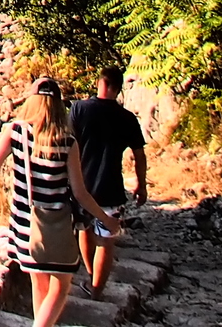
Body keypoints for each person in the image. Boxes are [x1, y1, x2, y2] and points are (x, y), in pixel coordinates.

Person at [0, 77, 110, 327]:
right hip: (55, 226)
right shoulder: (67, 142)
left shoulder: (15, 131)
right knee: (60, 286)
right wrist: (105, 218)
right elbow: (80, 193)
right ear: (59, 105)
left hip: (24, 225)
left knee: (39, 284)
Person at [69, 67, 149, 294]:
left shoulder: (79, 109)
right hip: (111, 188)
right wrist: (141, 184)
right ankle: (97, 288)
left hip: (81, 186)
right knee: (106, 240)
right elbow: (139, 154)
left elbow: (67, 142)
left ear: (99, 83)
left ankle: (91, 275)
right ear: (118, 88)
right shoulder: (127, 118)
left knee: (84, 230)